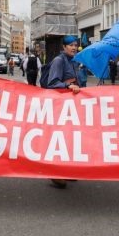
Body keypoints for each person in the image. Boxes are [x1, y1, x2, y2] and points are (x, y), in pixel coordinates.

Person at [45, 35, 82, 188]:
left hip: (69, 107)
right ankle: (56, 173)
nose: (74, 47)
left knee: (70, 139)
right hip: (59, 107)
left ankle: (67, 170)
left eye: (75, 45)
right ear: (64, 47)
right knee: (59, 139)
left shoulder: (72, 61)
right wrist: (68, 86)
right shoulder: (59, 61)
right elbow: (52, 83)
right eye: (71, 45)